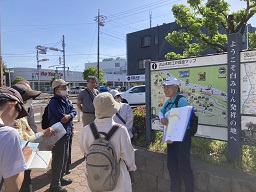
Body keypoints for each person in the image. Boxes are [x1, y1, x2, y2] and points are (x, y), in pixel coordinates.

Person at [80, 92, 137, 192]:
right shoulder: (121, 130)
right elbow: (128, 156)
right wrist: (132, 167)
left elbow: (85, 150)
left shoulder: (87, 129)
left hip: (94, 176)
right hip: (116, 178)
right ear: (113, 109)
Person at [11, 83, 56, 192]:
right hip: (17, 164)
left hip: (25, 160)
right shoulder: (13, 118)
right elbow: (22, 142)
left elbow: (29, 134)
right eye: (27, 99)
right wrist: (43, 134)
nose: (29, 102)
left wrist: (43, 145)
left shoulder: (20, 114)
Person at [159, 77, 194, 192]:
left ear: (176, 88)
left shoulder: (181, 100)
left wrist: (173, 137)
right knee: (172, 166)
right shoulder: (169, 101)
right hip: (171, 139)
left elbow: (183, 122)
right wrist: (162, 117)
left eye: (168, 87)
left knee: (184, 167)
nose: (166, 89)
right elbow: (161, 111)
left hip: (182, 140)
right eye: (164, 87)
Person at [0, 86, 31, 192]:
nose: (16, 117)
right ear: (12, 105)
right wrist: (24, 158)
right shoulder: (8, 134)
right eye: (19, 111)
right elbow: (13, 187)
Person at [48, 79, 77, 192]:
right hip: (58, 134)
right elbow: (61, 118)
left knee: (64, 157)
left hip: (67, 132)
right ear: (56, 90)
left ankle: (60, 178)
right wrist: (69, 116)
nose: (66, 89)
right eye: (63, 88)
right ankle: (55, 185)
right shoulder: (54, 102)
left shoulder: (66, 99)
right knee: (58, 159)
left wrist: (69, 115)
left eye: (66, 87)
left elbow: (73, 111)